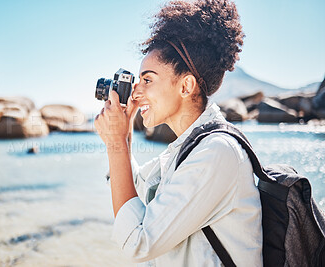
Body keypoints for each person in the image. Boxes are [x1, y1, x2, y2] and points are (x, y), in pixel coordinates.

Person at [94, 0, 263, 266]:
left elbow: (137, 242)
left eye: (147, 80)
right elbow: (137, 191)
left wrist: (117, 144)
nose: (137, 92)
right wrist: (122, 136)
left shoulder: (217, 152)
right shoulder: (187, 148)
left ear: (186, 86)